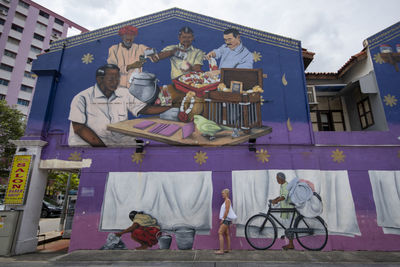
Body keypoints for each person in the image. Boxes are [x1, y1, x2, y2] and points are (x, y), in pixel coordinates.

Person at [68, 64, 170, 147]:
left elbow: (145, 109)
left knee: (144, 147)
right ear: (99, 79)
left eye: (117, 79)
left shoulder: (123, 93)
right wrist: (103, 151)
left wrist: (170, 108)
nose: (115, 82)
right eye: (111, 79)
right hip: (90, 146)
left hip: (116, 143)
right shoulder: (82, 98)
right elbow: (79, 128)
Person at [270, 172, 295, 250]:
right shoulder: (283, 185)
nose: (277, 180)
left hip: (289, 209)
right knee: (288, 227)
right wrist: (275, 199)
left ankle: (291, 244)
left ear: (281, 179)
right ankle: (290, 243)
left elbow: (284, 197)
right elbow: (281, 196)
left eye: (277, 178)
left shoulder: (286, 186)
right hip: (286, 208)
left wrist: (276, 201)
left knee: (289, 227)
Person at [215, 188, 237, 255]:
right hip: (227, 220)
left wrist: (223, 219)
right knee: (227, 234)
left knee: (220, 233)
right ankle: (228, 249)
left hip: (226, 220)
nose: (222, 194)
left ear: (226, 194)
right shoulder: (226, 201)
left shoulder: (227, 201)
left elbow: (227, 211)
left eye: (223, 193)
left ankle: (221, 251)